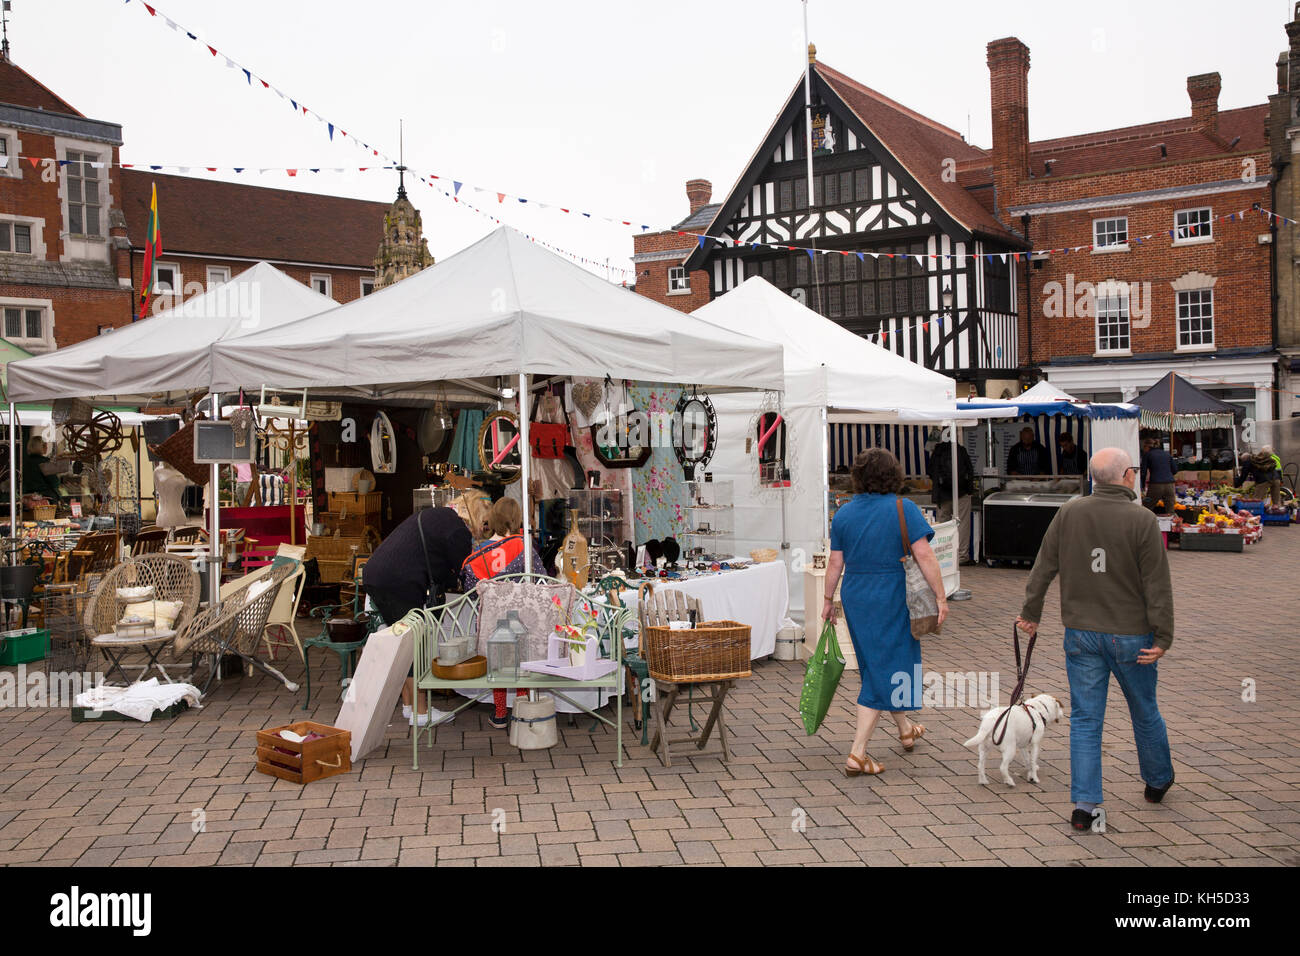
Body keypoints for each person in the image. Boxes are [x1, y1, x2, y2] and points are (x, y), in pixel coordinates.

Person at [1016, 447, 1175, 831]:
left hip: (1081, 633)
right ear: (1126, 477)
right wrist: (1164, 634)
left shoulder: (1070, 512)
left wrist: (1030, 613)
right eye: (1133, 470)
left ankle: (1085, 805)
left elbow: (1044, 565)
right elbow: (1157, 584)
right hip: (1132, 635)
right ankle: (1156, 781)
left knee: (1086, 719)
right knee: (1144, 708)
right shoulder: (1142, 520)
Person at [822, 448, 949, 776]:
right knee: (888, 663)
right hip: (891, 594)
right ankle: (857, 753)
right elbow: (925, 556)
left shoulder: (845, 513)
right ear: (894, 474)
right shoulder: (903, 507)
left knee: (876, 664)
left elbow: (835, 562)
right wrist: (941, 597)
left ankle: (905, 729)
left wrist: (826, 599)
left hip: (856, 594)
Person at [363, 493, 489, 726]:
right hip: (399, 581)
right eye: (484, 523)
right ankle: (421, 712)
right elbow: (466, 572)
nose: (484, 529)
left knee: (402, 641)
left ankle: (409, 706)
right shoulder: (457, 531)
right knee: (414, 644)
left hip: (377, 574)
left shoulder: (437, 516)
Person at [460, 496, 547, 730]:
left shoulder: (478, 551)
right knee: (520, 661)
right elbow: (541, 579)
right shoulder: (524, 546)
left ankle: (499, 713)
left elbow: (470, 591)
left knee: (499, 663)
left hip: (492, 623)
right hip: (520, 620)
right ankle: (520, 707)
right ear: (517, 519)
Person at [927, 438, 974, 563]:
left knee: (943, 525)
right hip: (962, 493)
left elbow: (930, 471)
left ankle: (943, 555)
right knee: (962, 524)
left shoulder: (937, 452)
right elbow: (970, 470)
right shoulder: (961, 450)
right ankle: (962, 556)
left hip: (943, 495)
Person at [22, 436, 70, 501]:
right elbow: (55, 482)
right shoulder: (44, 462)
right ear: (42, 447)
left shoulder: (24, 462)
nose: (47, 448)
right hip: (45, 499)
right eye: (45, 445)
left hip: (28, 498)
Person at [1139, 438, 1176, 514]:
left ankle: (1146, 525)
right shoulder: (1167, 454)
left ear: (1147, 447)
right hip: (1170, 485)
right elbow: (1175, 470)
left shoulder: (1147, 454)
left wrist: (1142, 486)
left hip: (1155, 486)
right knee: (1170, 510)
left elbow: (1143, 472)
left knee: (1147, 506)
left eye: (1144, 447)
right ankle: (1174, 524)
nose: (1144, 449)